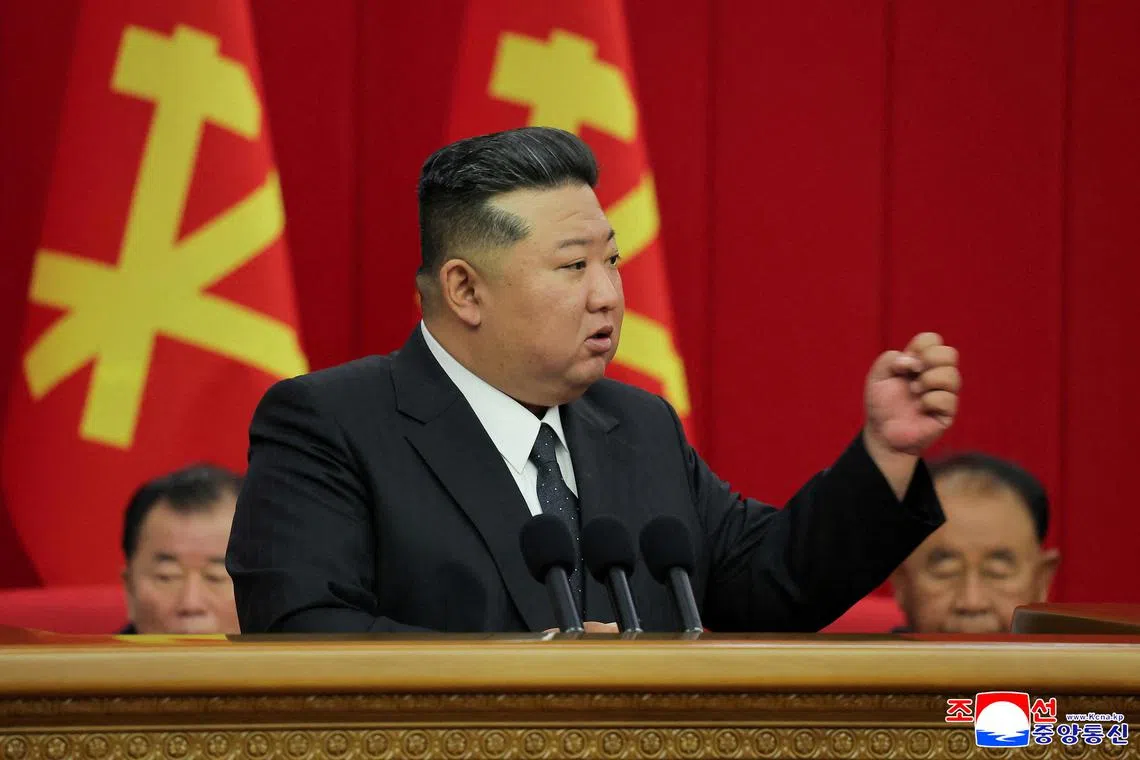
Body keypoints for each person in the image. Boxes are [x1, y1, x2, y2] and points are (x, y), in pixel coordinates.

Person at [227, 126, 962, 634]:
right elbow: (306, 632)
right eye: (574, 266)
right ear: (466, 291)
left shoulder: (638, 424)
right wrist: (537, 672)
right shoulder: (330, 424)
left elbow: (768, 586)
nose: (608, 294)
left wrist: (885, 453)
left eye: (612, 261)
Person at [891, 453, 1059, 633]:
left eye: (997, 572)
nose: (972, 602)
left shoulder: (1080, 662)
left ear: (1042, 580)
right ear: (902, 582)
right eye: (946, 571)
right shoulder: (864, 662)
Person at [120, 464, 242, 635]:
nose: (191, 604)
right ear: (130, 590)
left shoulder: (290, 659)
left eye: (217, 576)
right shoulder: (88, 662)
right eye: (167, 576)